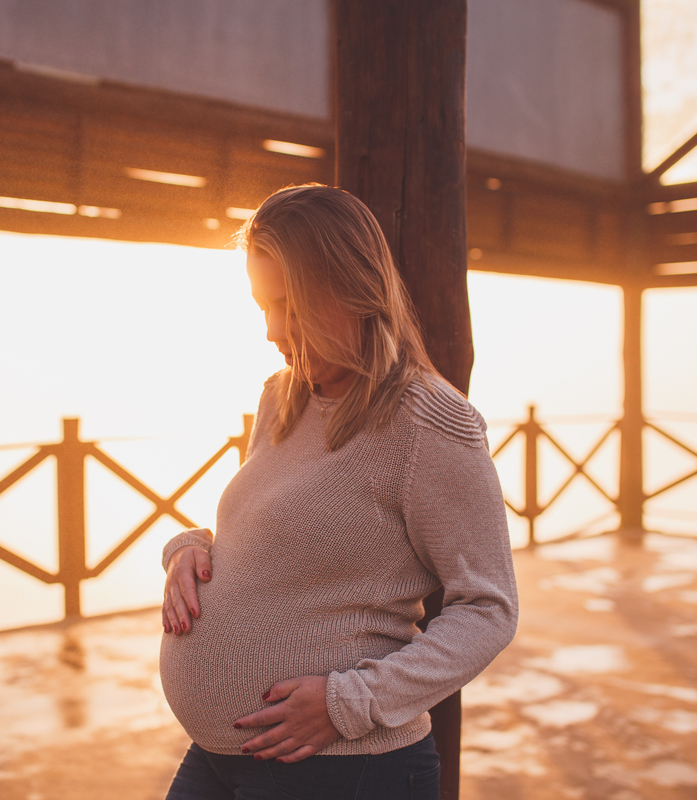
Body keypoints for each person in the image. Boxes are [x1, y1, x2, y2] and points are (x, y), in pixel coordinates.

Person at [158, 184, 517, 799]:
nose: (272, 330)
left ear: (351, 287)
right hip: (221, 754)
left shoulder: (428, 421)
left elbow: (489, 608)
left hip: (341, 769)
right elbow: (269, 531)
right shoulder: (281, 397)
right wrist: (190, 548)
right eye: (261, 307)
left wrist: (351, 701)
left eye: (289, 306)